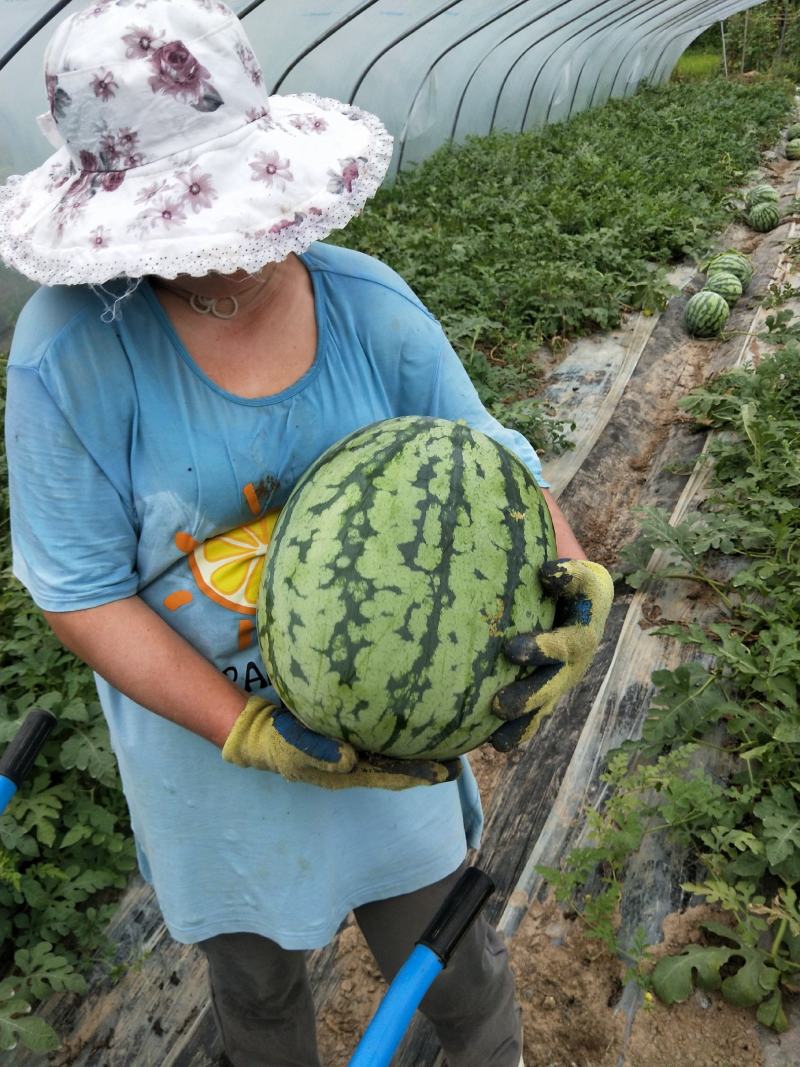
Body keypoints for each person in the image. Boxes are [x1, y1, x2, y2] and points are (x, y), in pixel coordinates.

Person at [0, 2, 614, 1065]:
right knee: (255, 984)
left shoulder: (368, 305)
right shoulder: (66, 356)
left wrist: (568, 570)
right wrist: (248, 728)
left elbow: (492, 459)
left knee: (453, 967)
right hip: (212, 765)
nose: (224, 249)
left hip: (396, 747)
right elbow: (80, 588)